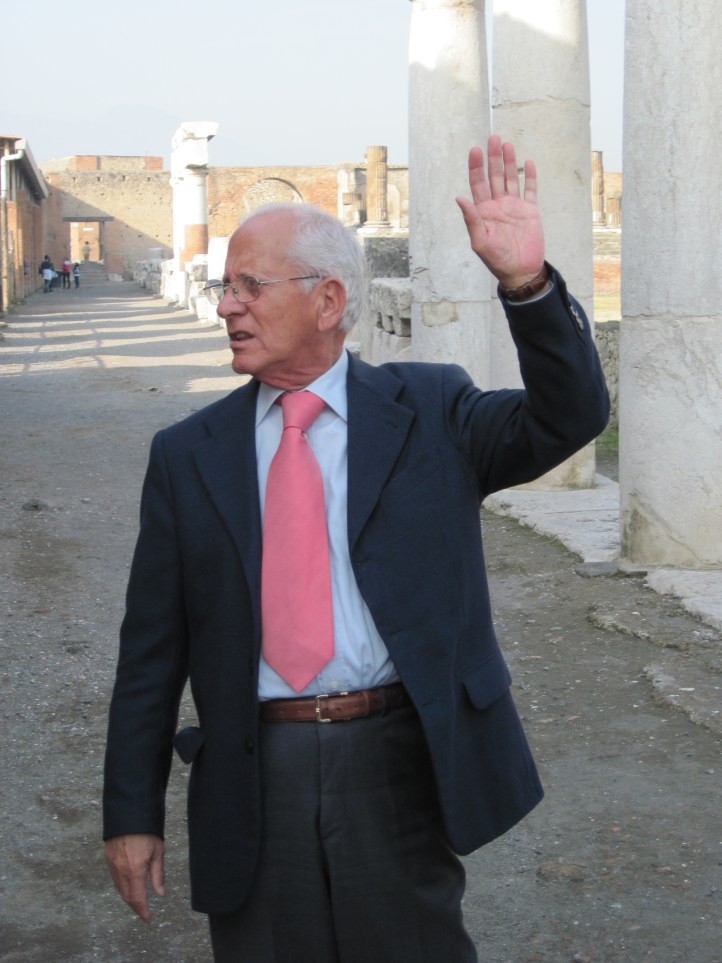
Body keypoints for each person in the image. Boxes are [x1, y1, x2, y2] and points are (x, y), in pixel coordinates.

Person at [103, 136, 609, 962]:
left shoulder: (433, 410)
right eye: (224, 285)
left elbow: (572, 415)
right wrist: (130, 812)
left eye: (248, 286)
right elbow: (150, 653)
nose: (228, 304)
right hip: (251, 768)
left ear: (329, 300)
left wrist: (526, 285)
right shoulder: (187, 452)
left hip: (398, 762)